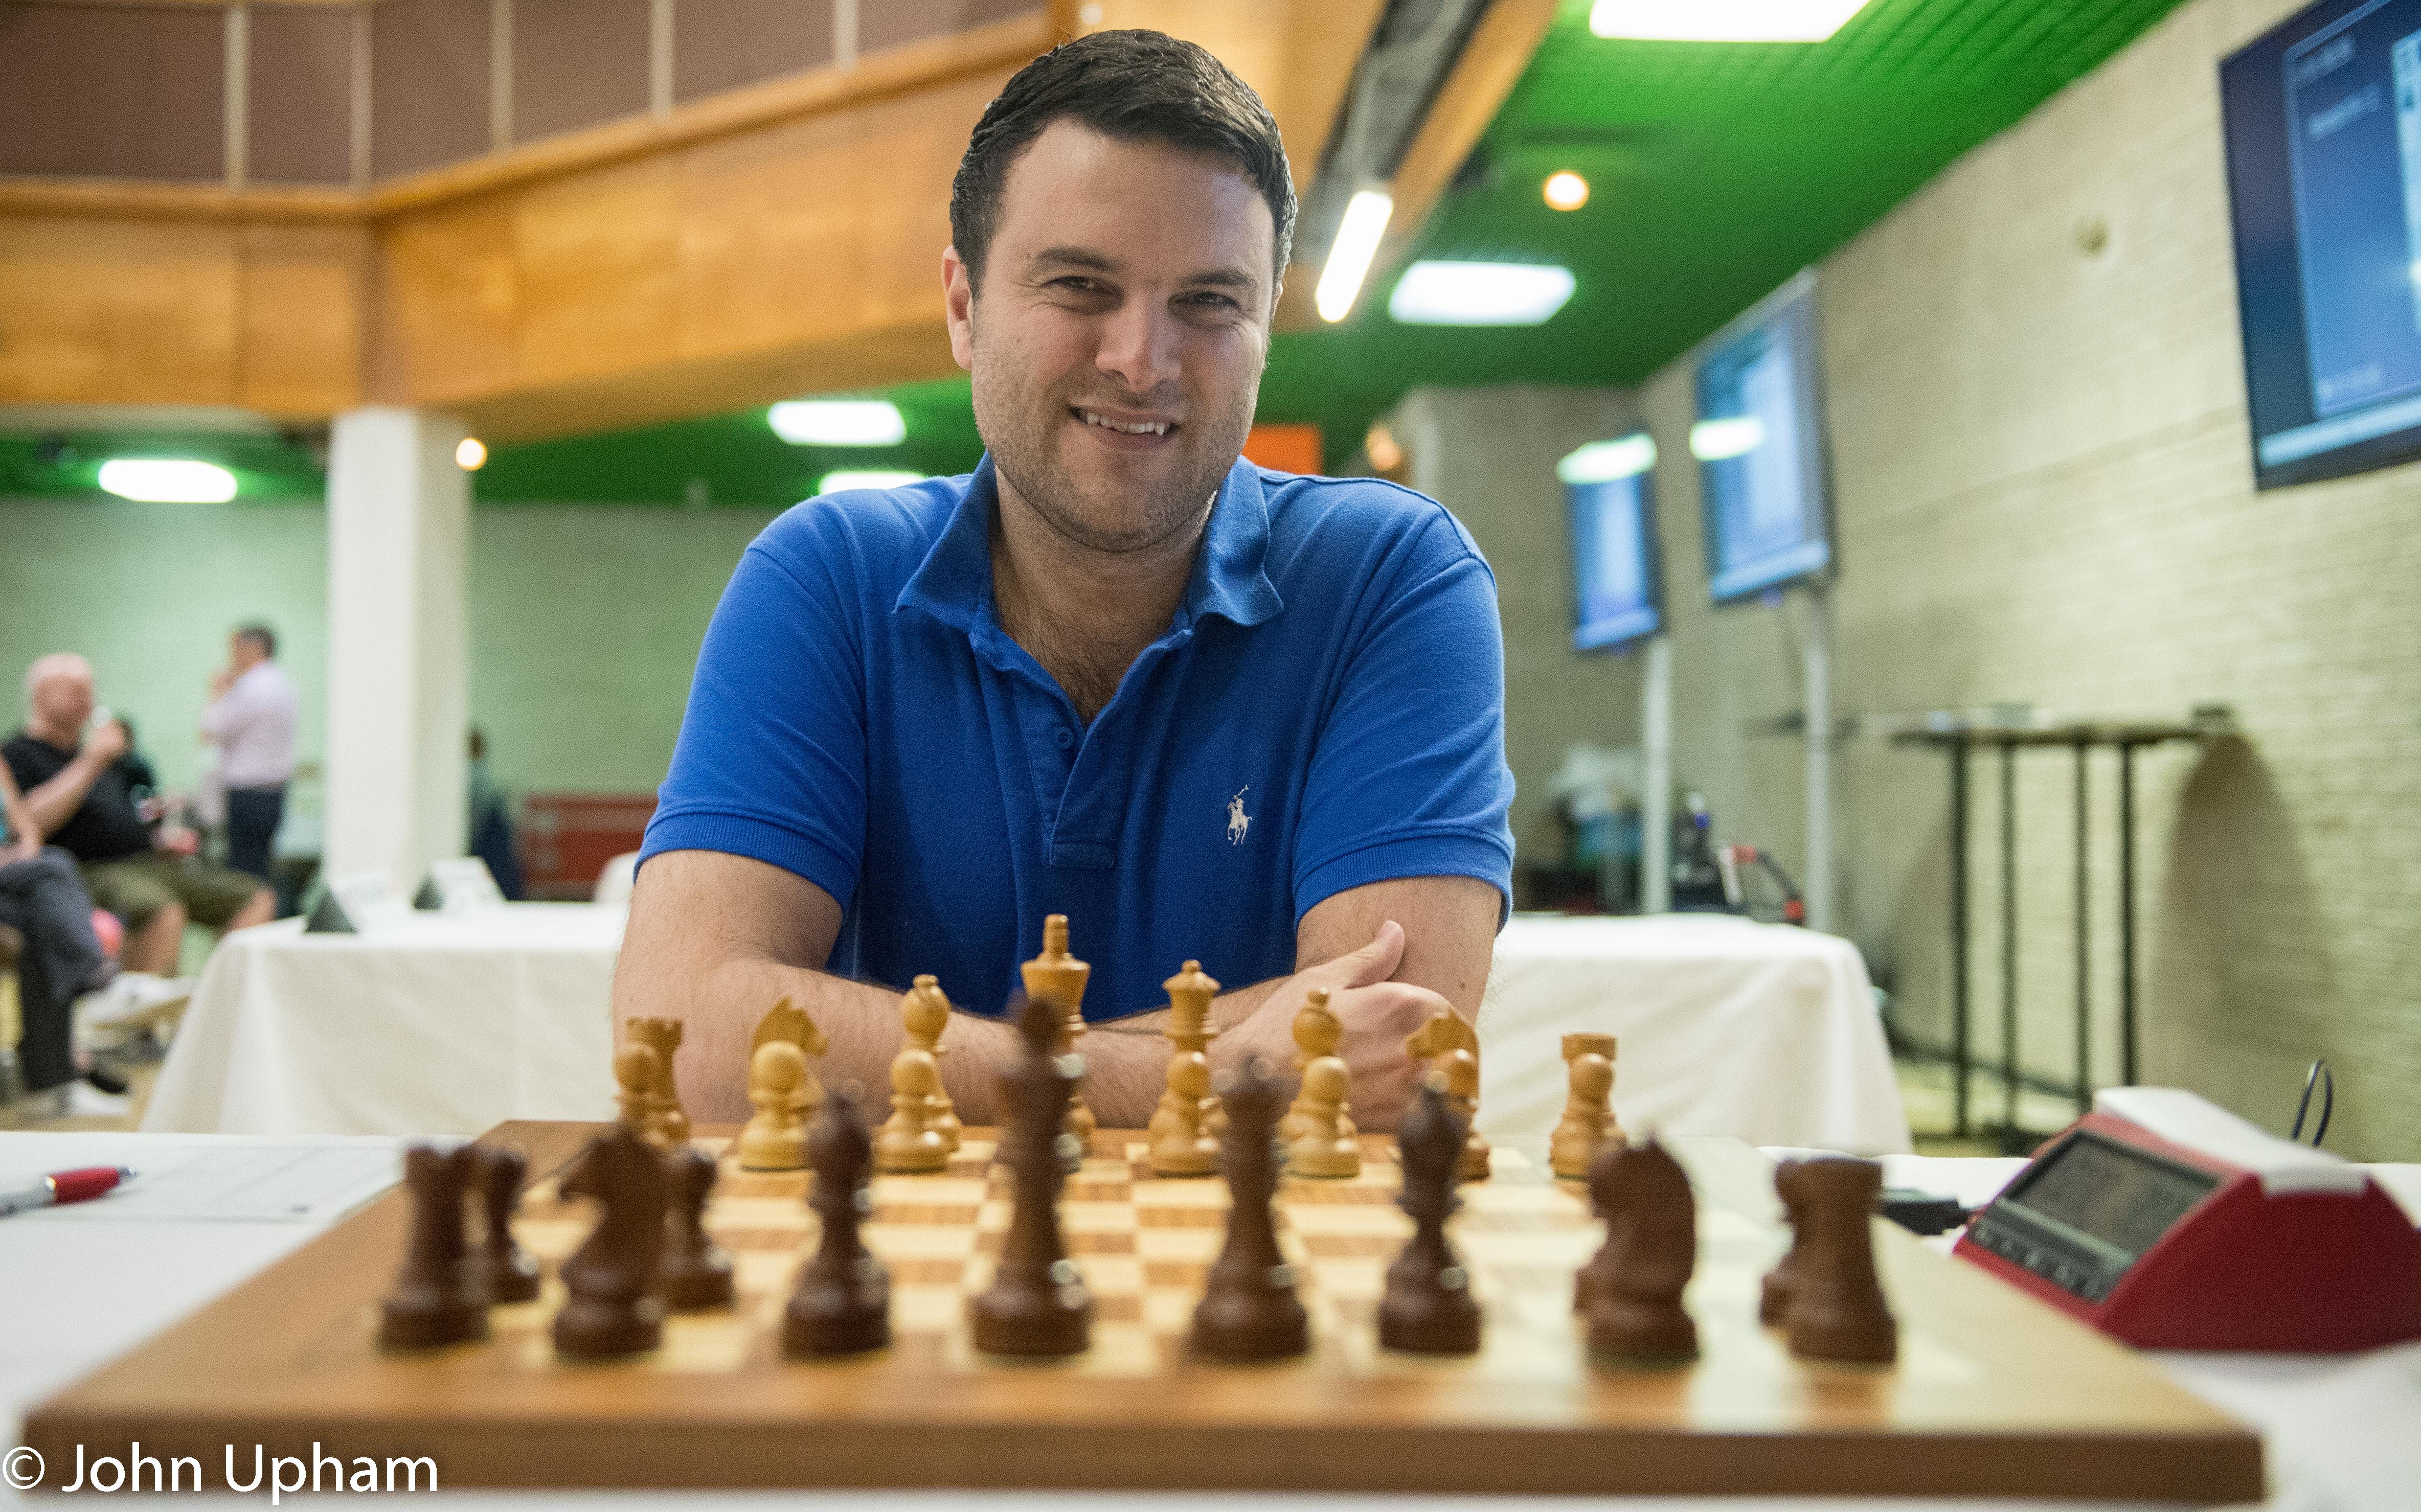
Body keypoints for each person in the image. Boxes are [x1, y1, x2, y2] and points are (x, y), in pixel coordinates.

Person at [616, 31, 1513, 1130]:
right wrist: (1235, 1066)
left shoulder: (1391, 578)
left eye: (1210, 302)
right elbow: (686, 1037)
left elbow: (1393, 1052)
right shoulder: (826, 577)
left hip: (1273, 1281)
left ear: (1266, 328)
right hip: (901, 1276)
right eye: (1081, 285)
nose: (1143, 358)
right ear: (963, 305)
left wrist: (875, 1045)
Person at [6, 654, 273, 976]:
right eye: (77, 690)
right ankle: (140, 1022)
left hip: (147, 859)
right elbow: (27, 826)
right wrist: (91, 763)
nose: (89, 700)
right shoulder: (18, 754)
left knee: (256, 897)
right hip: (84, 868)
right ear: (41, 695)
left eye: (91, 690)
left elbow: (126, 814)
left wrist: (159, 838)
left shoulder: (104, 756)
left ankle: (223, 1005)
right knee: (161, 909)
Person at [199, 622, 299, 887]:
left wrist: (217, 692)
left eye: (234, 647)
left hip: (248, 793)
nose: (231, 655)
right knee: (263, 867)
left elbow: (210, 732)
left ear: (252, 648)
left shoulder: (248, 687)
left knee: (243, 877)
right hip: (275, 792)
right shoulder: (284, 686)